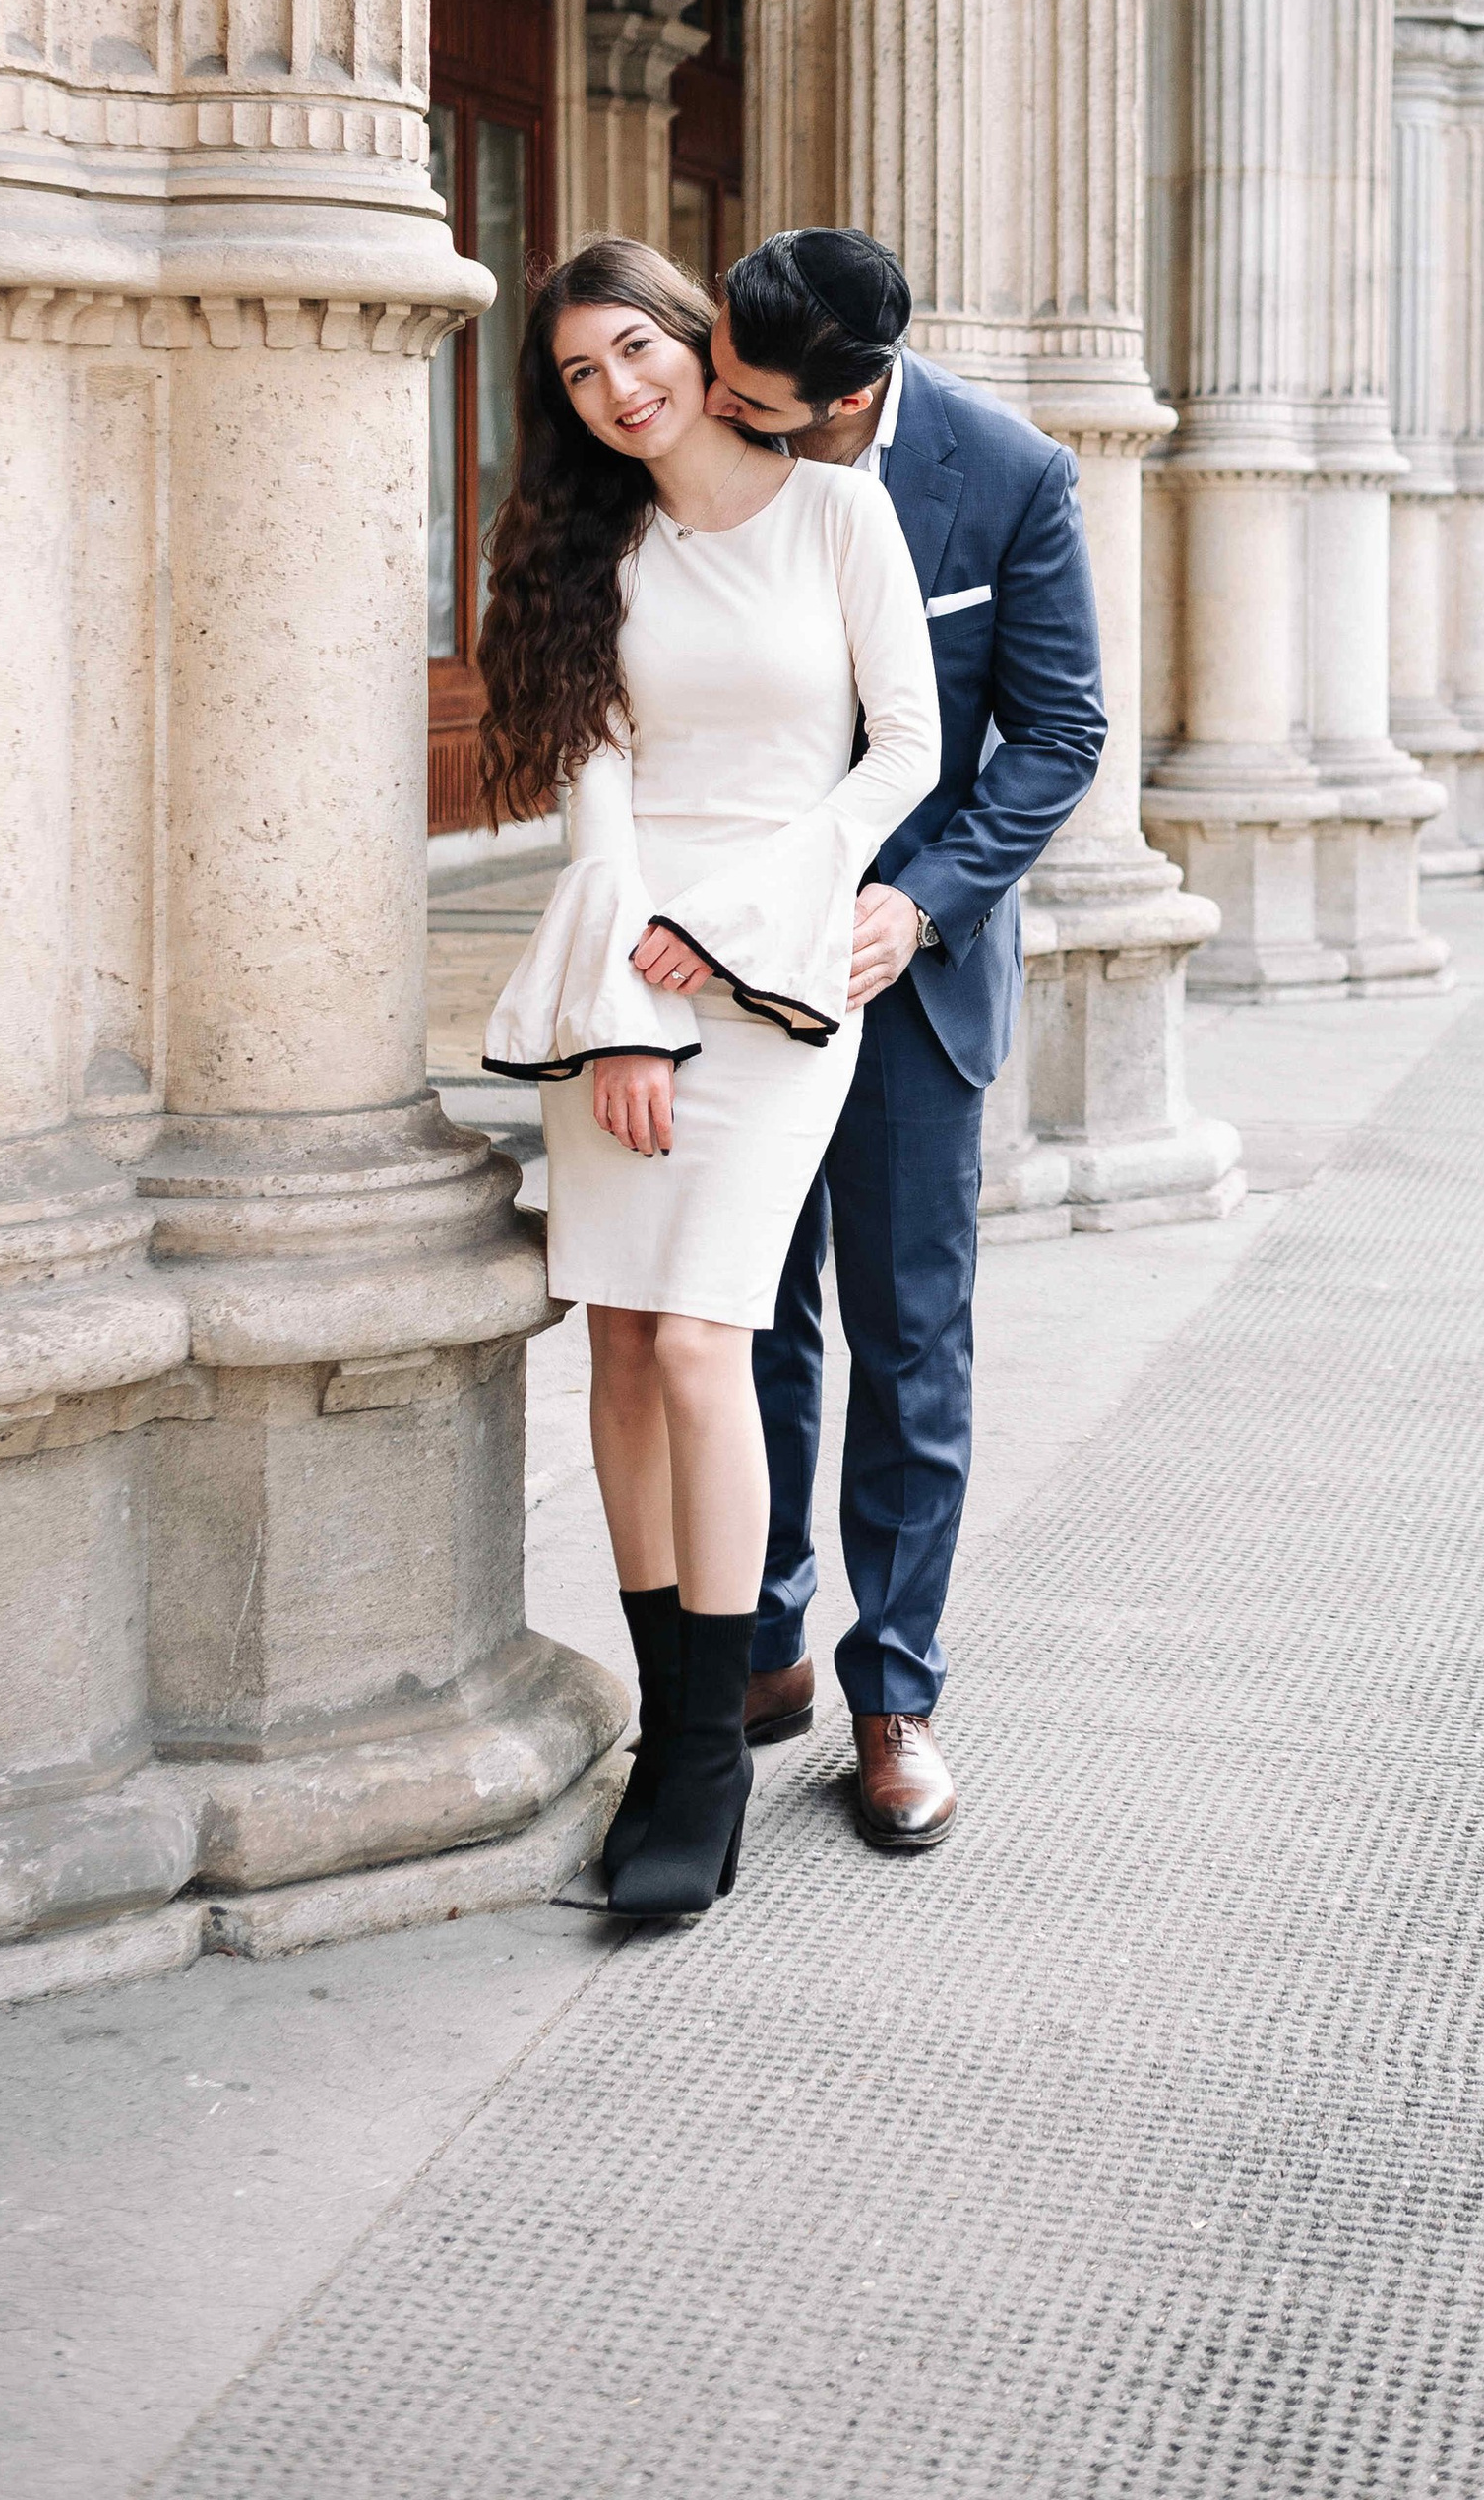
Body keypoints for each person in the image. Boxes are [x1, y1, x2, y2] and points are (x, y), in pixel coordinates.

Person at [473, 238, 939, 1916]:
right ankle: (673, 1736)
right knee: (616, 1338)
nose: (616, 392)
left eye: (633, 351)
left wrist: (736, 929)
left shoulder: (837, 513)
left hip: (785, 967)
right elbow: (600, 802)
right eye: (580, 377)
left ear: (693, 335)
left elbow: (908, 749)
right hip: (625, 971)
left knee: (698, 1339)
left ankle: (709, 1755)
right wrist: (623, 1014)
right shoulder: (598, 550)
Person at [704, 227, 1109, 1854]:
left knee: (908, 1345)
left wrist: (925, 903)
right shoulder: (723, 449)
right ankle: (758, 1649)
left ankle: (897, 1698)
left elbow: (1061, 728)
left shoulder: (1007, 473)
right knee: (751, 1325)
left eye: (755, 395)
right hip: (735, 960)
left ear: (850, 391)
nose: (720, 409)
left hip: (902, 982)